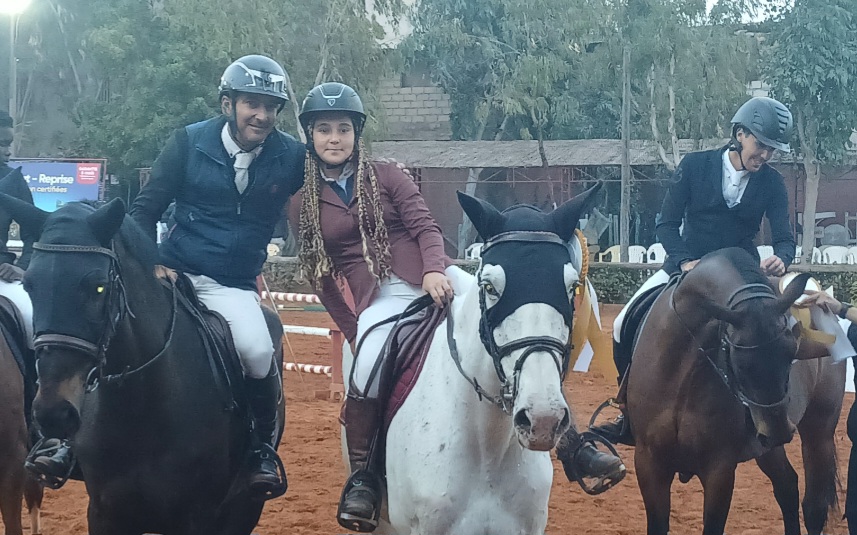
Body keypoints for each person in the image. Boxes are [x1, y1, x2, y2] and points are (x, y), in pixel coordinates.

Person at [297, 82, 623, 532]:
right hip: (380, 299)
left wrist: (434, 269)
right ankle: (364, 479)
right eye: (324, 130)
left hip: (436, 278)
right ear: (310, 136)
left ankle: (571, 446)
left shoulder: (387, 175)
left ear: (357, 133)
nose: (335, 138)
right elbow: (319, 274)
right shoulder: (303, 200)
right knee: (367, 365)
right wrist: (354, 329)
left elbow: (425, 227)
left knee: (515, 329)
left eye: (343, 129)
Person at [29, 55, 303, 500]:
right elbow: (145, 208)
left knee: (256, 349)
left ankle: (260, 450)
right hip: (173, 270)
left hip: (230, 282)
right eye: (252, 104)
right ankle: (63, 442)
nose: (262, 115)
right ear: (228, 104)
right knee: (111, 335)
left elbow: (327, 188)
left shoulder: (291, 156)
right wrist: (150, 261)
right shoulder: (188, 143)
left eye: (271, 107)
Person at [592, 96, 797, 442]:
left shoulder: (773, 183)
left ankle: (766, 412)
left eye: (771, 150)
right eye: (761, 145)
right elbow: (666, 224)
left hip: (741, 277)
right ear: (740, 134)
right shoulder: (695, 166)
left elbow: (785, 239)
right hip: (687, 268)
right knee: (623, 322)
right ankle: (628, 408)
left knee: (780, 333)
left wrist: (782, 258)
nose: (765, 155)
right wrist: (685, 260)